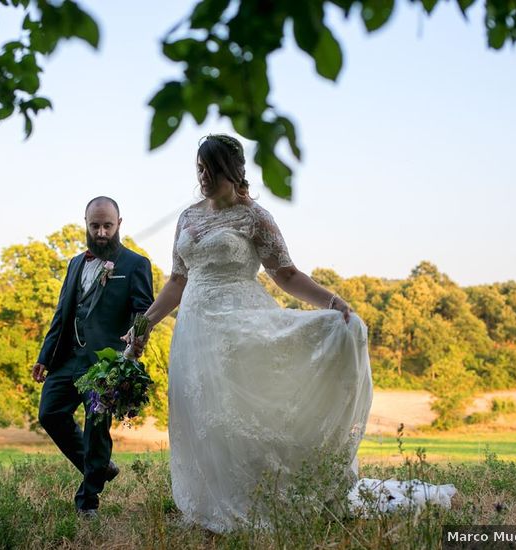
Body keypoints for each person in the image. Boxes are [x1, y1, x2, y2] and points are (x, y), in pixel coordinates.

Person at [133, 134, 374, 532]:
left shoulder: (254, 217)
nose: (203, 177)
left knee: (240, 415)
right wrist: (145, 323)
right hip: (194, 329)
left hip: (240, 325)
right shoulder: (188, 217)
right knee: (201, 416)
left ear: (233, 171)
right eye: (200, 168)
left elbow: (286, 273)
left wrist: (332, 303)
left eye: (211, 169)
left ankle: (261, 498)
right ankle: (209, 507)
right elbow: (177, 280)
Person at [31, 196, 155, 518]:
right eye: (95, 226)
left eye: (107, 226)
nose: (101, 232)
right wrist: (45, 356)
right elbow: (62, 313)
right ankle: (99, 466)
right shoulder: (74, 263)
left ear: (119, 225)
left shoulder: (135, 264)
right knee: (49, 414)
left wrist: (136, 341)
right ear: (86, 225)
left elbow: (144, 310)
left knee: (97, 428)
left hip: (106, 362)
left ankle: (88, 502)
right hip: (68, 358)